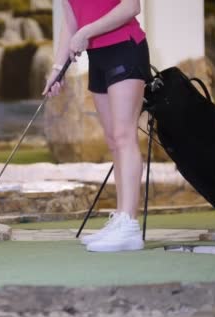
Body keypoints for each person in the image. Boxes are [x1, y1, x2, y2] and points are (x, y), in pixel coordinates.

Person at [43, 0, 151, 252]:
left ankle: (129, 226)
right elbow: (70, 23)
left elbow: (131, 7)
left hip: (125, 48)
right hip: (98, 57)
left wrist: (86, 32)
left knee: (125, 136)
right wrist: (57, 68)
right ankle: (121, 219)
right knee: (113, 140)